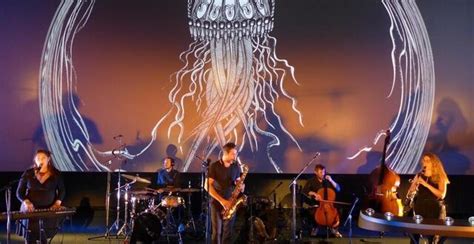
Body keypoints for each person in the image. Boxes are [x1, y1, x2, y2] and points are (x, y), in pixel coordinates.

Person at [16, 149, 66, 244]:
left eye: (43, 158)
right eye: (38, 158)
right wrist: (26, 202)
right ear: (35, 160)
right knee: (30, 238)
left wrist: (57, 203)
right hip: (31, 210)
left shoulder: (56, 174)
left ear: (48, 159)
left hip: (48, 210)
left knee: (44, 238)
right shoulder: (28, 173)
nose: (41, 160)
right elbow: (19, 192)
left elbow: (62, 190)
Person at [205, 142, 244, 244]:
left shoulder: (235, 167)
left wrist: (240, 186)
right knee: (217, 233)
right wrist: (222, 201)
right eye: (233, 154)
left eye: (235, 154)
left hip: (230, 203)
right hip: (217, 202)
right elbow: (207, 186)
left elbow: (238, 182)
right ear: (225, 153)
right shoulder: (214, 166)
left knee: (228, 233)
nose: (235, 157)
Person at [409, 153, 449, 244]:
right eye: (424, 161)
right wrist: (413, 187)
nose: (425, 163)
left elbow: (441, 195)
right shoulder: (419, 175)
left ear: (434, 163)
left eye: (428, 161)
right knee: (415, 233)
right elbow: (410, 192)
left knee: (433, 236)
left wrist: (425, 184)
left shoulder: (440, 176)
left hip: (434, 208)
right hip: (420, 206)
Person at [302, 164, 342, 238]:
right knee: (312, 212)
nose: (323, 174)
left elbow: (338, 189)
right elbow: (305, 191)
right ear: (315, 172)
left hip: (329, 205)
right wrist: (314, 194)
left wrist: (331, 180)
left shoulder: (328, 179)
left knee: (339, 211)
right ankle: (315, 227)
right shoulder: (311, 181)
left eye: (324, 172)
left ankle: (334, 228)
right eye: (321, 172)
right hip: (317, 204)